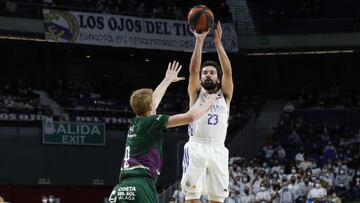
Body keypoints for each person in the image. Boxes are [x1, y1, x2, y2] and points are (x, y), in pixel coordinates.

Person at [109, 61, 218, 203]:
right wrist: (209, 102)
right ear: (151, 106)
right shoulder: (152, 122)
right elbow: (190, 117)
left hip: (121, 188)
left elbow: (153, 101)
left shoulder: (136, 122)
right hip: (141, 186)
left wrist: (167, 80)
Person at [180, 21, 234, 203]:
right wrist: (200, 41)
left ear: (218, 78)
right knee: (192, 197)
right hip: (197, 147)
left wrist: (218, 44)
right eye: (205, 73)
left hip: (219, 148)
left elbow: (228, 71)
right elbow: (193, 70)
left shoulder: (225, 95)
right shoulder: (196, 93)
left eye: (211, 72)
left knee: (218, 199)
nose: (207, 75)